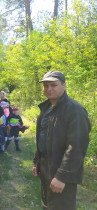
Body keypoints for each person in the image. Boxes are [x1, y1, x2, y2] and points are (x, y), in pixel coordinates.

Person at [32, 71, 91, 209]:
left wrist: (62, 176)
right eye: (46, 86)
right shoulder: (46, 108)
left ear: (64, 85)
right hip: (46, 167)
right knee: (47, 205)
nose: (49, 89)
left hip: (61, 170)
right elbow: (42, 137)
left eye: (54, 85)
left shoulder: (74, 110)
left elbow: (77, 146)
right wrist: (37, 161)